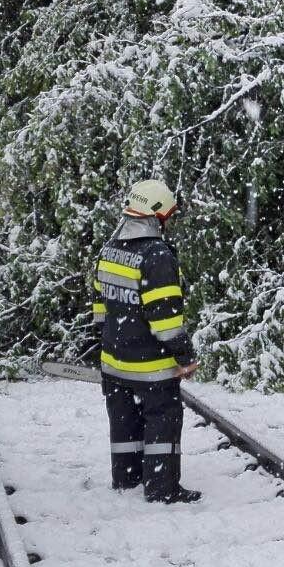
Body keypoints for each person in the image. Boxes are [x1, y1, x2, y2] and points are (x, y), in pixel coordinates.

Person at [90, 179, 201, 503]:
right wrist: (185, 356)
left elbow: (100, 309)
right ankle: (162, 488)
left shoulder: (109, 250)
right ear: (157, 216)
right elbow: (165, 321)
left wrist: (112, 342)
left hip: (114, 360)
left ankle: (125, 478)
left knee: (123, 423)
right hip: (151, 366)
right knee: (162, 420)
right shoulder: (157, 255)